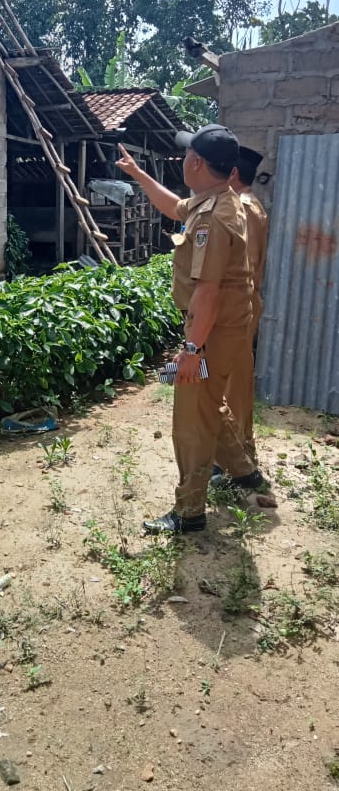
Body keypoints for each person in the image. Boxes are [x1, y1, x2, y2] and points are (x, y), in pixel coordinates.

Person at [116, 126, 271, 534]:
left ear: (197, 163)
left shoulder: (214, 219)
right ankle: (244, 471)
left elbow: (208, 291)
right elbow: (174, 207)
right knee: (207, 403)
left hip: (212, 332)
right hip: (222, 329)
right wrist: (138, 174)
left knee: (191, 419)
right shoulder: (217, 201)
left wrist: (191, 350)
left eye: (186, 155)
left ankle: (189, 512)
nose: (183, 160)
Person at [221, 145, 269, 464]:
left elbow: (243, 266)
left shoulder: (245, 208)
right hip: (241, 303)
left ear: (233, 174)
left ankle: (235, 453)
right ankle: (234, 450)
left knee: (235, 381)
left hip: (238, 305)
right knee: (232, 378)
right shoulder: (252, 205)